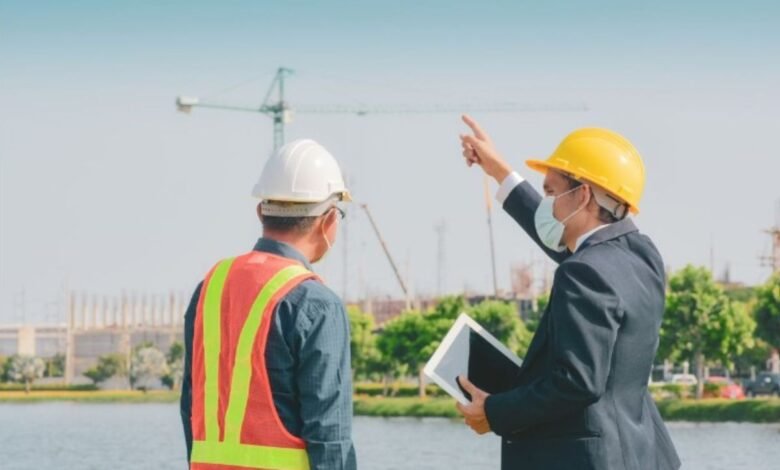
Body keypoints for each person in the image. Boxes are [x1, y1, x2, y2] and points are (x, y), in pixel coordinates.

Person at [456, 115, 681, 470]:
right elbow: (576, 252)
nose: (547, 204)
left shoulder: (583, 271)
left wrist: (494, 412)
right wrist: (499, 172)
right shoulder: (642, 254)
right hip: (640, 455)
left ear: (584, 194)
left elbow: (577, 382)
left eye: (550, 191)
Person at [180, 139, 357, 470]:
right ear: (329, 220)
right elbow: (329, 436)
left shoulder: (210, 288)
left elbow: (191, 405)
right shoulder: (316, 304)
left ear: (260, 211)